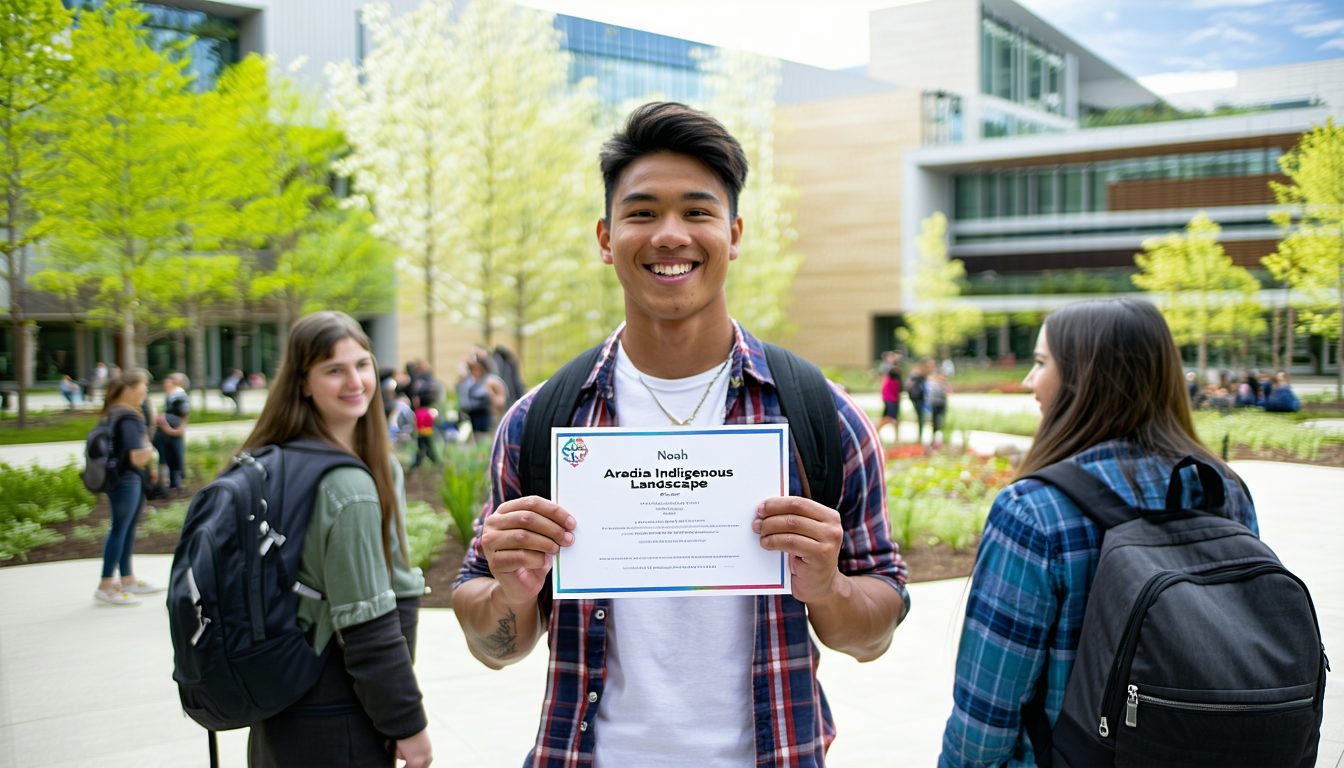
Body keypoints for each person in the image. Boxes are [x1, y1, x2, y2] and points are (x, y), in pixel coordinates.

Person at [453, 102, 908, 767]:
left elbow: (874, 635)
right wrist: (510, 594)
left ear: (735, 232)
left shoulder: (820, 417)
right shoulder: (541, 422)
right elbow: (494, 643)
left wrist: (830, 590)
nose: (670, 234)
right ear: (606, 238)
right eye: (642, 213)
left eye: (697, 211)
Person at [938, 298, 1258, 768]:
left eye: (1042, 362)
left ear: (1085, 379)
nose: (1030, 380)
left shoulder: (1035, 510)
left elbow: (986, 717)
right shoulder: (1222, 488)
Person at [241, 311, 432, 768]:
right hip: (334, 714)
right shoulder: (346, 486)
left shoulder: (268, 461)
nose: (355, 381)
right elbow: (366, 624)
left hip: (275, 705)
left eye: (362, 365)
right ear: (303, 382)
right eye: (334, 370)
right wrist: (409, 725)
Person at [93, 369, 164, 606]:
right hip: (127, 479)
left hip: (117, 478)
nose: (145, 395)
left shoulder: (111, 412)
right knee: (120, 529)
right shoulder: (130, 416)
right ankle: (105, 585)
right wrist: (151, 450)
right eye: (143, 390)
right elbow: (138, 457)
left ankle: (127, 579)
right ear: (129, 389)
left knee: (125, 528)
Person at [455, 351, 507, 444]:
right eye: (473, 369)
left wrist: (490, 397)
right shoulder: (472, 382)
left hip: (488, 417)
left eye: (477, 369)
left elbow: (500, 400)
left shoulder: (491, 381)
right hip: (475, 417)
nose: (475, 372)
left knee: (487, 443)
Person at [153, 373, 190, 494]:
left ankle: (174, 483)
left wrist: (170, 426)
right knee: (171, 456)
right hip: (169, 431)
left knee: (174, 457)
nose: (166, 385)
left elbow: (184, 413)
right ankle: (172, 483)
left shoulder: (179, 395)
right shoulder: (172, 395)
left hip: (172, 431)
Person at [875, 352, 903, 443]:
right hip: (892, 401)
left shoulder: (887, 380)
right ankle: (876, 428)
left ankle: (897, 437)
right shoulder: (894, 382)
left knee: (892, 419)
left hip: (889, 400)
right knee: (889, 419)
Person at [907, 359, 931, 444]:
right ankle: (920, 437)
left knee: (922, 418)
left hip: (919, 398)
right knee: (921, 417)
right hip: (918, 398)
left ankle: (920, 436)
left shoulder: (920, 375)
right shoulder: (917, 374)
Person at [927, 371, 950, 448]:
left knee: (941, 421)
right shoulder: (934, 384)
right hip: (936, 405)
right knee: (935, 422)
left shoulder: (944, 385)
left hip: (941, 405)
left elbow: (948, 393)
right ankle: (934, 438)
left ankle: (940, 438)